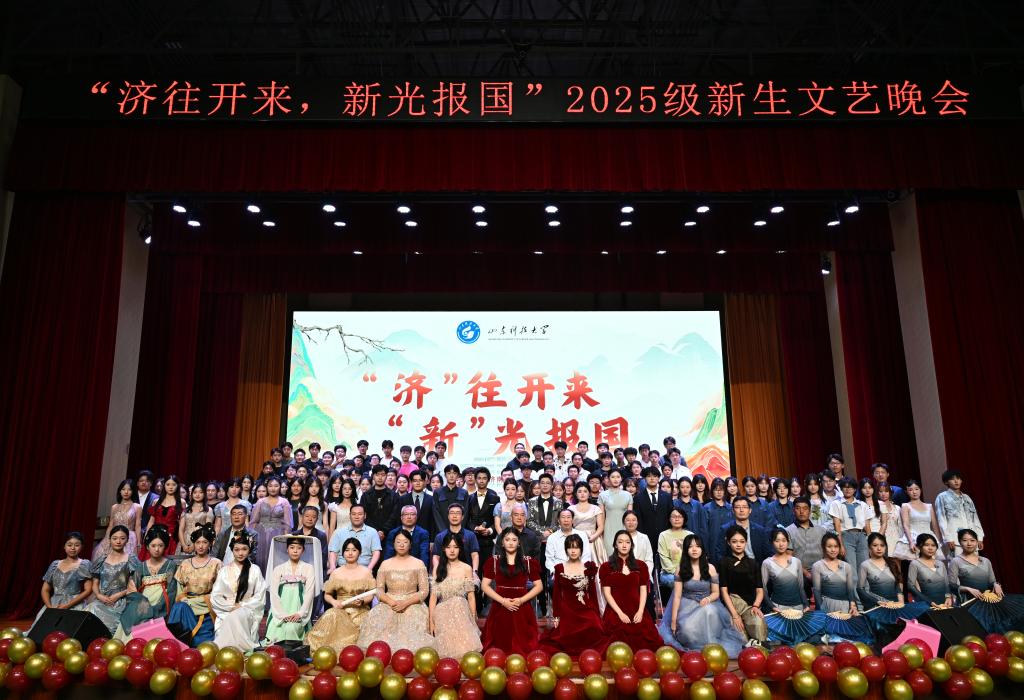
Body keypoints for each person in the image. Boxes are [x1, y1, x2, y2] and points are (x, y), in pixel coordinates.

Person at [659, 533, 746, 656]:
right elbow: (677, 597)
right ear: (686, 550)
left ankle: (710, 647)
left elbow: (716, 593)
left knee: (708, 611)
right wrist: (673, 621)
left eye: (697, 546)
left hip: (708, 604)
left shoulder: (710, 568)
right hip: (687, 605)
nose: (694, 549)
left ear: (702, 549)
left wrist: (708, 599)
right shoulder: (680, 569)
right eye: (691, 547)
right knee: (687, 632)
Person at [357, 530, 435, 651]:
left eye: (405, 542)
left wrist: (405, 603)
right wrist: (391, 602)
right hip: (389, 602)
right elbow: (379, 590)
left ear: (410, 544)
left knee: (413, 620)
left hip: (412, 603)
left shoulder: (418, 564)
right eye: (398, 542)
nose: (401, 545)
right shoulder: (385, 564)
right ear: (393, 544)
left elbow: (424, 591)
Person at [539, 534, 610, 657]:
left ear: (581, 549)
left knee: (594, 626)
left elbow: (593, 594)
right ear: (566, 549)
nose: (573, 551)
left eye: (576, 547)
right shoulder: (559, 568)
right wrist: (556, 617)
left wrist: (597, 615)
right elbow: (557, 595)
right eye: (570, 547)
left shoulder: (589, 568)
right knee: (564, 633)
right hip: (567, 610)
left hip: (586, 609)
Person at [305, 538, 377, 653]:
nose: (350, 553)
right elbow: (327, 594)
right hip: (340, 610)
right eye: (347, 550)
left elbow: (371, 594)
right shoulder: (336, 573)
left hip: (360, 611)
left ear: (359, 552)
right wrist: (334, 602)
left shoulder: (366, 572)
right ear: (342, 553)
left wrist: (363, 601)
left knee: (363, 626)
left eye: (354, 550)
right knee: (330, 615)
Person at [947, 528, 1024, 634]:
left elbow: (992, 581)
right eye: (965, 540)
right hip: (973, 602)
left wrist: (996, 584)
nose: (969, 543)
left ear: (977, 542)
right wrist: (968, 589)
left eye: (972, 540)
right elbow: (951, 585)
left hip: (990, 599)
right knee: (985, 629)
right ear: (960, 542)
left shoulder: (986, 561)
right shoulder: (955, 561)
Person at [481, 527, 544, 654]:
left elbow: (539, 586)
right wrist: (503, 601)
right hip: (500, 606)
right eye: (507, 539)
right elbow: (484, 586)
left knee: (524, 645)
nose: (510, 543)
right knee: (499, 643)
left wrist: (521, 600)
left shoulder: (528, 562)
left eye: (514, 540)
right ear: (502, 542)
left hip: (521, 606)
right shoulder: (494, 562)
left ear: (519, 542)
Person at [601, 530, 663, 652]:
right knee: (616, 642)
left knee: (648, 643)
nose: (624, 545)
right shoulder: (606, 567)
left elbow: (644, 591)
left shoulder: (641, 566)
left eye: (627, 542)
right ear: (615, 545)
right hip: (615, 610)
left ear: (631, 545)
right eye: (620, 542)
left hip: (637, 609)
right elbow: (607, 594)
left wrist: (640, 611)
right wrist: (620, 613)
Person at [118, 525, 178, 639]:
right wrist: (143, 606)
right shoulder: (140, 566)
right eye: (153, 545)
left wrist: (158, 608)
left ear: (165, 546)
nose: (157, 549)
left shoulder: (170, 565)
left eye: (160, 545)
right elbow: (132, 591)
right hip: (142, 603)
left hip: (162, 602)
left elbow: (171, 590)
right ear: (147, 546)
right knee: (131, 622)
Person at [210, 531, 267, 651]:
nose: (240, 553)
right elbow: (215, 596)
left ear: (249, 550)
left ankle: (239, 651)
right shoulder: (224, 570)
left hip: (248, 609)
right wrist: (230, 607)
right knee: (231, 618)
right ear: (232, 550)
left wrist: (242, 605)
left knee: (236, 617)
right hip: (226, 610)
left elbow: (260, 595)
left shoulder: (255, 570)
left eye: (244, 549)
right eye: (237, 550)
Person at [429, 533, 482, 658]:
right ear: (443, 549)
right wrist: (431, 621)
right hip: (442, 612)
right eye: (448, 547)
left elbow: (471, 596)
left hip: (461, 610)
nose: (452, 550)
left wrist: (473, 617)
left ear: (460, 549)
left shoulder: (466, 568)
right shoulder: (438, 568)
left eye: (455, 547)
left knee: (465, 649)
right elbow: (433, 598)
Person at [167, 524, 221, 646]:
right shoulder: (185, 564)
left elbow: (219, 591)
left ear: (210, 544)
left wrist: (199, 601)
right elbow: (179, 590)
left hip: (206, 609)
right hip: (187, 606)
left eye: (205, 542)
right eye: (198, 542)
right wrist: (184, 600)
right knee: (179, 607)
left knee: (202, 644)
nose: (201, 546)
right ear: (194, 544)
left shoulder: (216, 564)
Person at [264, 535, 322, 644]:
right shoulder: (278, 569)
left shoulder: (308, 568)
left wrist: (300, 613)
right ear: (287, 549)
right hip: (281, 610)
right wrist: (282, 615)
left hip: (298, 608)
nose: (295, 551)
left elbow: (309, 593)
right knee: (276, 636)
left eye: (299, 548)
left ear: (303, 550)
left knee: (293, 629)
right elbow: (274, 594)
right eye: (292, 547)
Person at [761, 529, 814, 642]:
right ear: (772, 543)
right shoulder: (767, 563)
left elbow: (801, 587)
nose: (781, 544)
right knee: (781, 642)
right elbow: (763, 589)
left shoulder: (796, 561)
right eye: (777, 541)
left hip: (798, 608)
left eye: (784, 540)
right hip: (779, 608)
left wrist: (806, 604)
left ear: (788, 542)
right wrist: (772, 606)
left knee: (801, 640)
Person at [718, 526, 768, 646]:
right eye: (734, 541)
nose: (738, 545)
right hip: (731, 606)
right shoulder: (724, 562)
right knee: (739, 637)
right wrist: (735, 615)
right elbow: (724, 591)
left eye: (742, 541)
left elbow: (760, 590)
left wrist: (756, 606)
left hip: (750, 606)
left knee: (759, 626)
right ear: (728, 542)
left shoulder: (753, 563)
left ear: (746, 542)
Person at [87, 526, 137, 635]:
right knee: (89, 615)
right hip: (102, 599)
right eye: (115, 538)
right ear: (109, 540)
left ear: (127, 540)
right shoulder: (102, 559)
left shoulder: (131, 559)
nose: (118, 541)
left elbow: (134, 584)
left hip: (121, 601)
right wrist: (99, 595)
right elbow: (95, 583)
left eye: (122, 538)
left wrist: (118, 595)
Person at [37, 531, 93, 623]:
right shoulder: (55, 564)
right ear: (64, 546)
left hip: (74, 604)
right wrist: (50, 607)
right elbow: (45, 589)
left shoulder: (84, 564)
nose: (73, 548)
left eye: (77, 545)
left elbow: (88, 590)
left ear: (82, 547)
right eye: (69, 545)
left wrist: (67, 605)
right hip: (54, 604)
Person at [934, 470, 985, 558]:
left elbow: (975, 518)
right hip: (955, 538)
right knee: (957, 563)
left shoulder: (967, 498)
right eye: (952, 479)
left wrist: (979, 537)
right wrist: (948, 538)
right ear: (946, 482)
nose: (956, 481)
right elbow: (941, 519)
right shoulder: (942, 497)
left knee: (973, 562)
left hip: (972, 537)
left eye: (958, 478)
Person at [829, 477, 873, 577]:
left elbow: (867, 526)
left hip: (861, 536)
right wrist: (840, 544)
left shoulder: (862, 505)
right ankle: (853, 587)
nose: (848, 489)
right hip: (846, 536)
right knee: (851, 567)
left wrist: (870, 544)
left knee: (864, 566)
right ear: (841, 489)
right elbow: (837, 526)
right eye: (845, 487)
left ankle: (864, 587)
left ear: (855, 489)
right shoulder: (836, 504)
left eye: (851, 487)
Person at [892, 480, 943, 562]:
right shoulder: (905, 506)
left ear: (920, 490)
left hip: (929, 537)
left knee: (932, 564)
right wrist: (911, 542)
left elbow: (935, 525)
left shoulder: (929, 506)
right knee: (917, 564)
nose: (914, 492)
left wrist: (938, 541)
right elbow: (905, 525)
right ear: (907, 492)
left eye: (916, 489)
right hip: (914, 537)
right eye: (910, 490)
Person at [250, 476, 293, 572]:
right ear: (267, 487)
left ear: (280, 487)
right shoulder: (260, 502)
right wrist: (251, 538)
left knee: (276, 560)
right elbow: (253, 521)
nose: (273, 488)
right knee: (259, 559)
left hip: (278, 534)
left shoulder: (284, 502)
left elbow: (288, 524)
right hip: (260, 534)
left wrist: (286, 539)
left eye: (276, 486)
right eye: (270, 486)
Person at [785, 497, 825, 601]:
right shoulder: (788, 531)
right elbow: (789, 556)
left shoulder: (821, 530)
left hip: (821, 569)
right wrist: (807, 574)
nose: (801, 511)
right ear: (793, 511)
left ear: (810, 511)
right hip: (800, 571)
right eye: (798, 508)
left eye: (805, 508)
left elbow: (827, 554)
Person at [712, 498, 771, 565]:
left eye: (744, 507)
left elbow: (768, 553)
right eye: (737, 507)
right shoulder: (725, 529)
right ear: (733, 511)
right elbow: (719, 554)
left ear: (750, 510)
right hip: (732, 566)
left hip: (755, 566)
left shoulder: (760, 530)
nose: (741, 510)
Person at [812, 533, 859, 616]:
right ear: (823, 547)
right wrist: (821, 611)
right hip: (827, 605)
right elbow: (817, 591)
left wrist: (853, 605)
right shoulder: (817, 566)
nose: (833, 550)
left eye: (836, 546)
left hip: (845, 606)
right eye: (829, 546)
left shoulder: (847, 566)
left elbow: (850, 590)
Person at [94, 479, 142, 559]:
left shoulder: (137, 507)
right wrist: (107, 538)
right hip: (114, 536)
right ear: (120, 491)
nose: (126, 492)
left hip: (129, 537)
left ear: (133, 491)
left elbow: (138, 526)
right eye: (123, 489)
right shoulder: (114, 507)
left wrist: (139, 543)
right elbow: (111, 525)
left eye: (129, 489)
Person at [328, 504, 382, 571]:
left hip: (364, 569)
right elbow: (333, 552)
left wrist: (369, 569)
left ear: (365, 515)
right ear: (349, 516)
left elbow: (376, 552)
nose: (356, 517)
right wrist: (332, 567)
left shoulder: (372, 532)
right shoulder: (339, 532)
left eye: (360, 514)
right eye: (353, 514)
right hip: (342, 569)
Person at [906, 534, 953, 607]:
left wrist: (948, 597)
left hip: (945, 604)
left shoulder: (940, 564)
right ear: (919, 546)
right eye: (926, 545)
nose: (930, 548)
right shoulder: (915, 563)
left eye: (933, 545)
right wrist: (928, 601)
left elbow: (946, 583)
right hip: (926, 604)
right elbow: (910, 586)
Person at [432, 503, 480, 574]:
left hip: (466, 573)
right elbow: (436, 556)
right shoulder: (440, 537)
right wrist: (437, 571)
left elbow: (475, 555)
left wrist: (474, 572)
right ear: (448, 516)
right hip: (445, 573)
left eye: (458, 513)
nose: (454, 516)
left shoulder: (470, 535)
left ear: (462, 517)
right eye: (452, 513)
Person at [144, 475, 183, 559]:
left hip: (171, 537)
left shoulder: (181, 502)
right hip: (154, 534)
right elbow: (151, 521)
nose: (170, 487)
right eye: (168, 484)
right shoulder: (156, 501)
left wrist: (181, 540)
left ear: (177, 486)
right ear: (164, 485)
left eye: (173, 484)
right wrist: (146, 535)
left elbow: (181, 524)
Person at [569, 483, 607, 565]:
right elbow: (568, 526)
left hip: (593, 538)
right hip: (576, 538)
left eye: (585, 491)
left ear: (589, 493)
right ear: (576, 494)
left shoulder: (596, 508)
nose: (582, 494)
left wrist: (594, 536)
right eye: (579, 491)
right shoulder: (571, 509)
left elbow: (601, 526)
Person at [545, 508, 593, 574]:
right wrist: (555, 572)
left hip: (578, 571)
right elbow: (549, 559)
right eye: (563, 517)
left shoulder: (582, 535)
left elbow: (586, 556)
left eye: (568, 517)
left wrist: (581, 570)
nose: (566, 520)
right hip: (559, 571)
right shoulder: (552, 538)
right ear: (558, 520)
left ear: (572, 520)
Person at [384, 505, 431, 570]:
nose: (409, 517)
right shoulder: (393, 533)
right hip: (396, 567)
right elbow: (389, 554)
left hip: (416, 568)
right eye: (406, 514)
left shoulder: (423, 533)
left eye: (412, 514)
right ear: (401, 517)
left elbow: (424, 555)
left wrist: (422, 570)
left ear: (416, 517)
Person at [657, 507, 694, 589]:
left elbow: (694, 556)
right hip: (669, 573)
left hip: (688, 571)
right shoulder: (663, 535)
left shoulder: (690, 535)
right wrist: (677, 572)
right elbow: (664, 558)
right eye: (674, 516)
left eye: (680, 516)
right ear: (669, 519)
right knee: (676, 581)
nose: (677, 519)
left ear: (684, 519)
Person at [598, 469, 632, 557]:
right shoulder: (602, 495)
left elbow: (630, 517)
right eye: (613, 477)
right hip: (608, 530)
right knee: (610, 557)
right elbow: (602, 517)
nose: (615, 479)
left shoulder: (628, 495)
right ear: (608, 479)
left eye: (618, 477)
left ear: (621, 478)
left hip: (624, 529)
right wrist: (601, 532)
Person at [363, 464, 400, 541]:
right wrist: (375, 531)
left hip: (390, 534)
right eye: (377, 475)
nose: (380, 477)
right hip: (369, 534)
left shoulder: (394, 495)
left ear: (386, 476)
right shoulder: (366, 496)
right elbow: (364, 515)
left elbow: (394, 515)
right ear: (373, 476)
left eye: (383, 475)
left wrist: (383, 531)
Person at [178, 484, 216, 555]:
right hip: (185, 542)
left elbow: (208, 529)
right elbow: (181, 529)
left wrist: (194, 545)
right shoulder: (186, 510)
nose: (197, 495)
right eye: (195, 492)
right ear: (191, 494)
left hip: (200, 542)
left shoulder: (208, 510)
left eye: (200, 492)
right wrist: (183, 545)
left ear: (204, 494)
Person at [433, 464, 468, 537]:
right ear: (445, 475)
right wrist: (444, 532)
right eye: (449, 473)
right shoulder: (438, 492)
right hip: (441, 533)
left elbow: (465, 513)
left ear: (457, 476)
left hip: (459, 534)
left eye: (454, 473)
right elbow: (436, 514)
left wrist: (458, 531)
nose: (451, 476)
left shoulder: (464, 493)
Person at [876, 483, 903, 556]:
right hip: (883, 537)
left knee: (897, 561)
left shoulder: (897, 508)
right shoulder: (876, 507)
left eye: (886, 491)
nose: (883, 494)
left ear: (890, 493)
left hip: (896, 538)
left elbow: (900, 526)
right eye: (881, 491)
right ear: (877, 493)